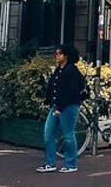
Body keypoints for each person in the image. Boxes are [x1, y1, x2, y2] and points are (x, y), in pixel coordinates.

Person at [36, 44, 86, 174]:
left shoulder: (72, 70)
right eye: (56, 53)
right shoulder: (59, 70)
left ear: (66, 56)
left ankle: (71, 163)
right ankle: (50, 163)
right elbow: (54, 87)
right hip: (56, 106)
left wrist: (61, 107)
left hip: (68, 106)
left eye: (59, 54)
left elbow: (71, 91)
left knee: (68, 134)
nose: (56, 56)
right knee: (48, 133)